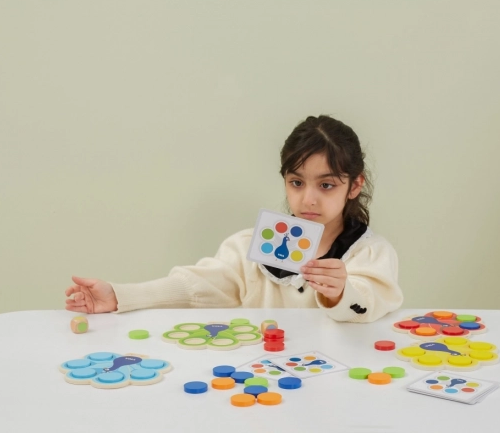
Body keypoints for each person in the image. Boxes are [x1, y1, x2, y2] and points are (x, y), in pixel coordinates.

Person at [65, 115, 403, 322]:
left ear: (355, 185)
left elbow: (369, 305)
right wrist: (120, 295)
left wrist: (341, 291)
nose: (308, 199)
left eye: (327, 185)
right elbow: (195, 287)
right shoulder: (249, 246)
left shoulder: (370, 254)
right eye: (296, 182)